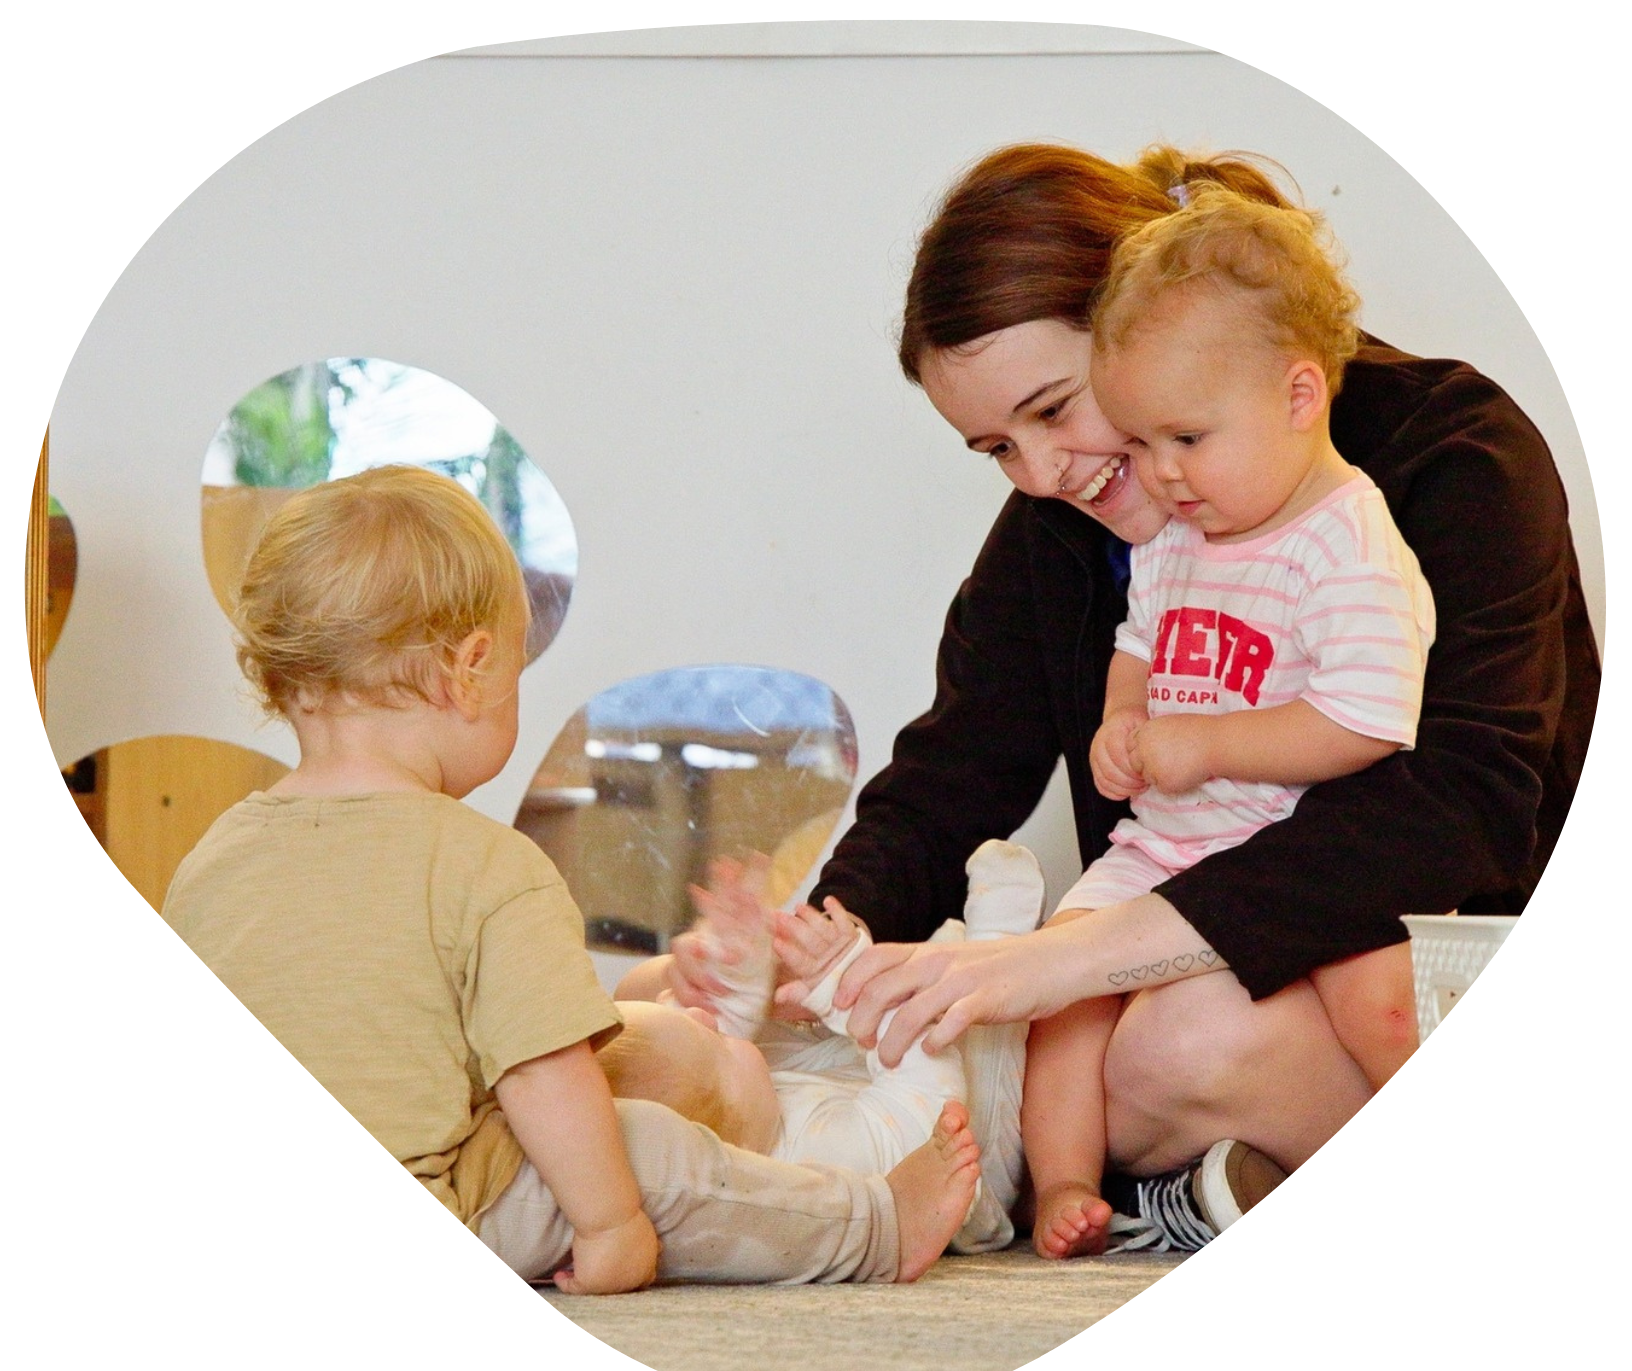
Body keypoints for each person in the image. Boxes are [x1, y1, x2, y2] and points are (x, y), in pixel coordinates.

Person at [795, 142, 1596, 1252]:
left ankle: (1184, 1176)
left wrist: (1072, 956)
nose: (1043, 474)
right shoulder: (1063, 526)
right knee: (1058, 1050)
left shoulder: (1450, 452)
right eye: (996, 449)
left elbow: (1465, 805)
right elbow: (951, 770)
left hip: (1405, 949)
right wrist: (821, 939)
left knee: (1165, 1045)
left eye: (1056, 408)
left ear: (1144, 323)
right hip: (1197, 953)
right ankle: (1194, 1182)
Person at [161, 464, 982, 1292]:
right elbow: (543, 1075)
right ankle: (874, 1227)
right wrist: (611, 1224)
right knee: (637, 1148)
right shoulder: (486, 867)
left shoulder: (214, 857)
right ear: (470, 668)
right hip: (456, 1199)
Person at [1020, 186, 1436, 1258]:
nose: (1159, 473)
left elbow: (1366, 719)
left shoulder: (1347, 542)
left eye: (1189, 438)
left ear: (1301, 394)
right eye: (1148, 439)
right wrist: (1123, 718)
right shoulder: (1178, 533)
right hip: (1164, 842)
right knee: (1058, 982)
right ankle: (1066, 1186)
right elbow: (1138, 644)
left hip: (1295, 854)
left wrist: (1201, 744)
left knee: (1382, 1009)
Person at [610, 841, 1040, 1253]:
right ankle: (999, 943)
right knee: (969, 1046)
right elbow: (926, 1085)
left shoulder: (740, 1115)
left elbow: (716, 1024)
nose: (701, 1018)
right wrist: (843, 982)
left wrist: (732, 960)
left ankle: (940, 962)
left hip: (846, 1092)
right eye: (712, 1041)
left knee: (783, 1028)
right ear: (720, 1150)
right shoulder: (822, 1171)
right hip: (951, 1151)